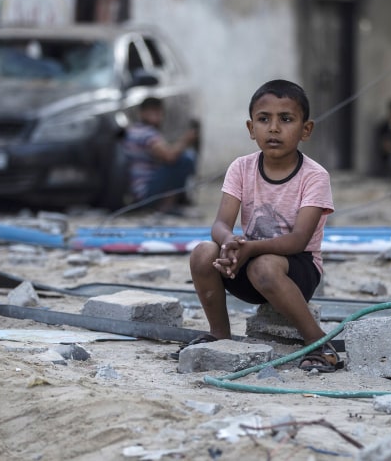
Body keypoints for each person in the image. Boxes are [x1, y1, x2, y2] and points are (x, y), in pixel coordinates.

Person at [182, 79, 343, 373]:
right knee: (203, 253)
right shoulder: (241, 168)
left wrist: (249, 247)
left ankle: (318, 342)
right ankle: (219, 334)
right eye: (264, 119)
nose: (274, 128)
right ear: (250, 128)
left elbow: (297, 240)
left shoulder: (314, 176)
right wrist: (230, 240)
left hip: (297, 269)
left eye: (286, 119)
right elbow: (220, 224)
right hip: (247, 257)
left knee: (264, 267)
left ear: (306, 130)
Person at [124, 97, 199, 214]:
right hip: (145, 193)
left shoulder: (133, 130)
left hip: (137, 192)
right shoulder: (147, 134)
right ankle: (166, 207)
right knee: (186, 159)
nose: (156, 117)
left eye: (158, 112)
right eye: (152, 112)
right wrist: (186, 140)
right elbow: (169, 156)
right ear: (142, 113)